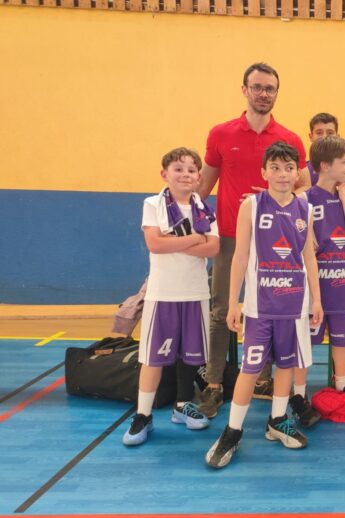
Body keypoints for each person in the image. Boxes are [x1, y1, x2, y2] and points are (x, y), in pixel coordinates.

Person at [197, 63, 309, 419]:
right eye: (257, 87)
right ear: (244, 89)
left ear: (277, 93)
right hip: (232, 238)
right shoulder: (220, 134)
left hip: (275, 244)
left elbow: (304, 185)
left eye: (270, 88)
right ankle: (214, 384)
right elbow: (203, 187)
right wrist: (191, 228)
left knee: (272, 313)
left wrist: (273, 197)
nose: (263, 93)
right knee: (222, 311)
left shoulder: (290, 140)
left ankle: (261, 380)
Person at [205, 141, 322, 469]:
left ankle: (277, 420)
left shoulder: (305, 209)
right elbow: (240, 256)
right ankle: (233, 431)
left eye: (289, 168)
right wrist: (234, 302)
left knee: (286, 365)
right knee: (251, 369)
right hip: (260, 308)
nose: (282, 174)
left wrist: (317, 299)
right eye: (275, 168)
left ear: (297, 173)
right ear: (264, 172)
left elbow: (309, 257)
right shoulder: (252, 206)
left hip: (294, 306)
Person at [123, 148, 219, 446]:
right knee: (153, 358)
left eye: (191, 170)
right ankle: (143, 414)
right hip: (162, 294)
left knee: (190, 356)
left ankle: (182, 405)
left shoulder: (205, 209)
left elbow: (213, 248)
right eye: (178, 169)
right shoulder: (153, 204)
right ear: (165, 174)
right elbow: (155, 243)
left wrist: (174, 241)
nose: (185, 175)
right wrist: (194, 239)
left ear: (199, 177)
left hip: (195, 293)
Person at [307, 135, 345, 392]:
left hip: (344, 281)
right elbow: (307, 245)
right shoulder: (305, 199)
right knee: (308, 340)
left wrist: (344, 198)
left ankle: (341, 388)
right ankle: (299, 392)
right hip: (316, 285)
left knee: (341, 340)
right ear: (325, 166)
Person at [305, 112, 338, 187]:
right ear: (311, 137)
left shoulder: (344, 168)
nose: (324, 137)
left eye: (330, 133)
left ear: (337, 137)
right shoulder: (303, 168)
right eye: (319, 133)